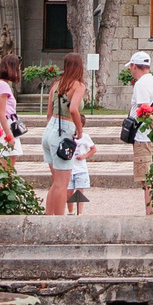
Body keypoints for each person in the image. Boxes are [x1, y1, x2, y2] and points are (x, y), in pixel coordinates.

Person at [41, 55, 85, 216]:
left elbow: (48, 113)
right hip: (64, 130)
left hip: (50, 129)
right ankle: (59, 222)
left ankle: (48, 218)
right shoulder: (78, 86)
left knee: (56, 182)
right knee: (62, 183)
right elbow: (74, 108)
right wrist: (79, 130)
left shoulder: (56, 85)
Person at [0, 60, 22, 157]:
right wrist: (9, 136)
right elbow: (1, 113)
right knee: (7, 166)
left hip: (2, 125)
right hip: (5, 125)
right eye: (17, 69)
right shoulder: (3, 85)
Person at [68, 130, 95, 216]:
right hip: (69, 168)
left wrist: (84, 156)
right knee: (68, 192)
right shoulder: (67, 136)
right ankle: (70, 211)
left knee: (79, 192)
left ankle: (79, 212)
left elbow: (93, 149)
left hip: (81, 169)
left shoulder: (85, 137)